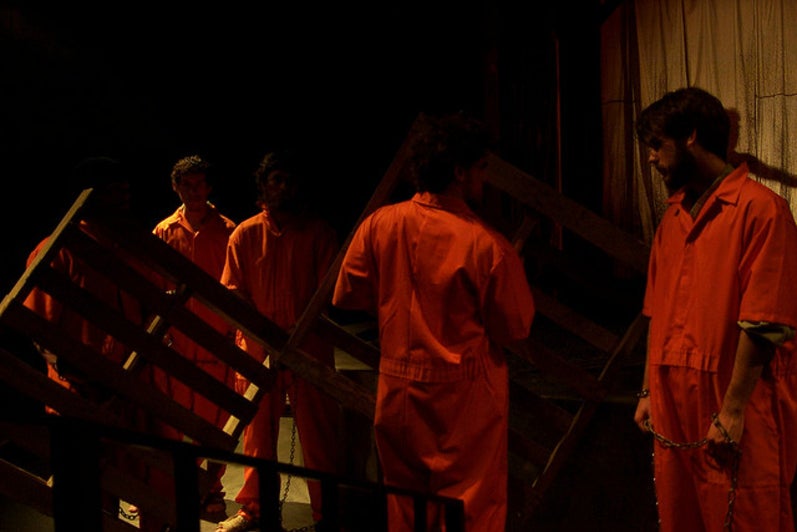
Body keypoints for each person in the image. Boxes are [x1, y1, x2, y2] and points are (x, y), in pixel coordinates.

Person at [332, 112, 535, 532]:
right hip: (462, 399)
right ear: (459, 172)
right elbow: (514, 327)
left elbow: (349, 294)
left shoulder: (379, 224)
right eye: (480, 168)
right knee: (469, 509)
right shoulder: (485, 244)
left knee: (405, 507)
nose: (484, 179)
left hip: (397, 389)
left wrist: (395, 305)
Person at [632, 87, 797, 531]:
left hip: (730, 393)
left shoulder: (762, 211)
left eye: (657, 144)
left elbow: (764, 321)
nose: (651, 158)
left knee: (745, 515)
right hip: (673, 397)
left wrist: (734, 408)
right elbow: (656, 313)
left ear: (690, 137)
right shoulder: (672, 220)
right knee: (680, 515)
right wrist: (648, 391)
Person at [217, 150, 342, 532]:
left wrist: (298, 332)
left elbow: (329, 293)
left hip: (309, 350)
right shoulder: (245, 233)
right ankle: (256, 510)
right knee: (257, 437)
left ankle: (327, 515)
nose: (283, 187)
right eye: (276, 180)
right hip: (258, 349)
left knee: (319, 438)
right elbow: (232, 291)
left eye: (290, 180)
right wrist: (264, 332)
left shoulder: (319, 233)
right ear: (264, 185)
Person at [150, 154, 236, 516]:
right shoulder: (163, 231)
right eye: (187, 184)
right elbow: (154, 283)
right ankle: (170, 489)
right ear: (176, 188)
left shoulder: (229, 230)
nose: (194, 191)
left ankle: (211, 490)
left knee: (215, 423)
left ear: (209, 186)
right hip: (178, 342)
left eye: (199, 184)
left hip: (217, 342)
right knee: (171, 421)